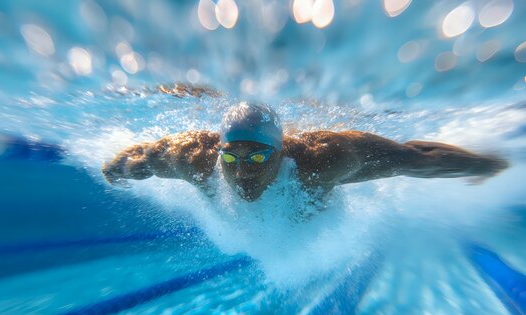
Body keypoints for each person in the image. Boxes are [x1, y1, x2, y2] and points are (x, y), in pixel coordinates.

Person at [102, 101, 508, 202]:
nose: (243, 170)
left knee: (411, 163)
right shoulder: (192, 160)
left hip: (323, 172)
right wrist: (120, 167)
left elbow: (419, 160)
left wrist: (485, 163)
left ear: (279, 153)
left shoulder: (324, 159)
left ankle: (495, 162)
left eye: (258, 156)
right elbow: (143, 157)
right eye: (232, 157)